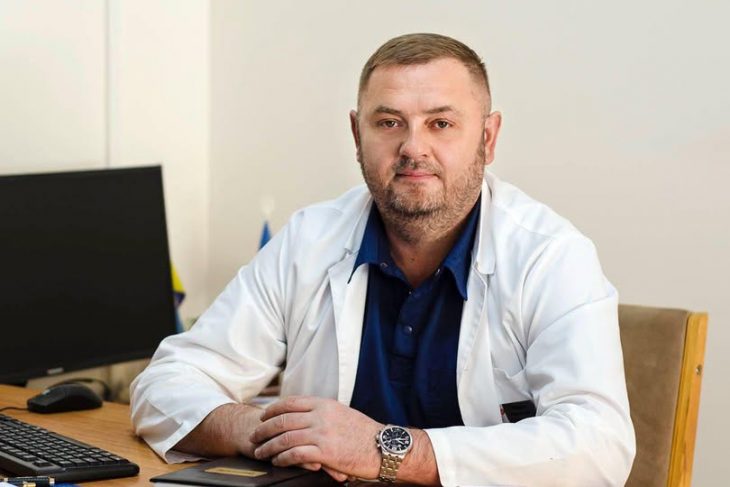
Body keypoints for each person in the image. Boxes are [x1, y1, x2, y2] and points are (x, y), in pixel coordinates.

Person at [130, 33, 635, 486]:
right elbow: (165, 383)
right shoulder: (309, 239)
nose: (414, 147)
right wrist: (274, 431)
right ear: (357, 136)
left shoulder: (550, 256)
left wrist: (383, 450)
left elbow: (600, 444)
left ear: (488, 137)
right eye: (389, 122)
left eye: (441, 123)